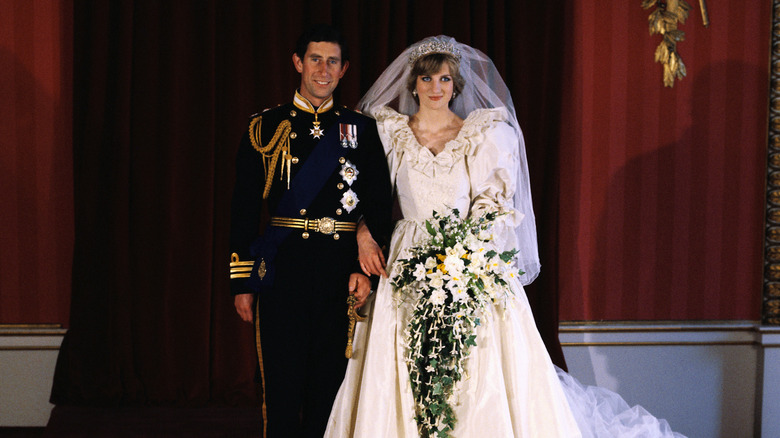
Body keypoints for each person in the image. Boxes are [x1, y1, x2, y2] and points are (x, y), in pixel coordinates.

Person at [326, 36, 685, 437]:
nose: (435, 88)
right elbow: (365, 196)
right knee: (402, 359)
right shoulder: (390, 133)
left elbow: (491, 204)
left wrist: (464, 257)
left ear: (456, 85)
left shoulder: (484, 134)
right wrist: (363, 234)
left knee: (478, 361)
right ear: (414, 84)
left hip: (468, 253)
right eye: (426, 78)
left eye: (444, 79)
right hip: (406, 256)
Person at [229, 24, 392, 438]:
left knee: (330, 387)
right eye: (315, 59)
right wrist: (243, 280)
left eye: (332, 62)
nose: (323, 70)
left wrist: (365, 270)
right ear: (298, 63)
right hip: (282, 272)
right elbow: (244, 209)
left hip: (340, 272)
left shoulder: (361, 130)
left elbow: (379, 203)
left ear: (344, 69)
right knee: (282, 386)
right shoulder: (264, 127)